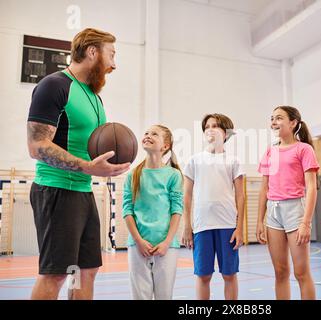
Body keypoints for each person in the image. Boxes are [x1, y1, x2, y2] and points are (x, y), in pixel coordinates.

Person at [26, 28, 130, 300]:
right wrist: (88, 167)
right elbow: (37, 146)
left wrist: (110, 163)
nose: (114, 65)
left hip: (83, 192)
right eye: (111, 55)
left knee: (87, 270)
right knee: (56, 273)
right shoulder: (55, 85)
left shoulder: (94, 97)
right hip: (56, 190)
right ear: (92, 52)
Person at [256, 106, 319, 300]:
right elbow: (264, 188)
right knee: (280, 272)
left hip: (295, 210)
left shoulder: (304, 149)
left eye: (279, 118)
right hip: (274, 213)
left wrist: (305, 222)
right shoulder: (270, 152)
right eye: (272, 118)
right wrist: (259, 220)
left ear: (293, 123)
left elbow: (311, 188)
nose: (274, 121)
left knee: (301, 272)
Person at [182, 113, 245, 300]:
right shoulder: (194, 160)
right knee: (203, 275)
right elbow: (187, 195)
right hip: (202, 226)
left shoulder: (233, 161)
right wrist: (187, 226)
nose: (210, 129)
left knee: (229, 275)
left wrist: (239, 227)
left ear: (226, 134)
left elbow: (240, 196)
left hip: (227, 226)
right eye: (207, 126)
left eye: (216, 126)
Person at [122, 125, 183, 300]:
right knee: (140, 297)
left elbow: (177, 210)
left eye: (154, 134)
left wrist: (167, 242)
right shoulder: (132, 175)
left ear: (165, 146)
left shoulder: (173, 175)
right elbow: (127, 210)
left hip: (166, 246)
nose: (148, 135)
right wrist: (138, 241)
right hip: (138, 246)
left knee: (165, 296)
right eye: (146, 133)